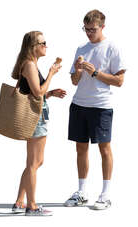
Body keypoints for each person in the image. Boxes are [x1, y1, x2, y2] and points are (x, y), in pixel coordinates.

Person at [64, 10, 126, 210]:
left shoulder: (112, 48)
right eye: (86, 29)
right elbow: (74, 81)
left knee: (104, 149)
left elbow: (119, 81)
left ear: (102, 27)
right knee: (80, 149)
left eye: (92, 29)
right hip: (79, 104)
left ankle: (105, 194)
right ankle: (82, 192)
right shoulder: (81, 47)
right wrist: (79, 71)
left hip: (100, 106)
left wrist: (96, 72)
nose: (89, 33)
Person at [11, 31, 66, 216]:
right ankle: (31, 206)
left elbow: (37, 93)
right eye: (43, 43)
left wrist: (51, 94)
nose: (46, 46)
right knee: (34, 163)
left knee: (33, 162)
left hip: (37, 114)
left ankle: (19, 202)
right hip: (35, 117)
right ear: (33, 46)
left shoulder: (30, 65)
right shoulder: (30, 65)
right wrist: (52, 73)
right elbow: (37, 93)